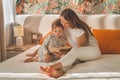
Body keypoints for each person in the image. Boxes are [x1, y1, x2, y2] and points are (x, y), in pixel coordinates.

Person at [40, 8, 101, 78]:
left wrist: (64, 52)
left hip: (92, 51)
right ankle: (58, 72)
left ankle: (53, 66)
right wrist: (36, 53)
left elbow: (78, 49)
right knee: (66, 58)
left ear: (72, 21)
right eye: (62, 21)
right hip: (78, 52)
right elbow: (47, 40)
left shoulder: (80, 29)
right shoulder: (62, 28)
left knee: (73, 53)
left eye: (66, 23)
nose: (63, 25)